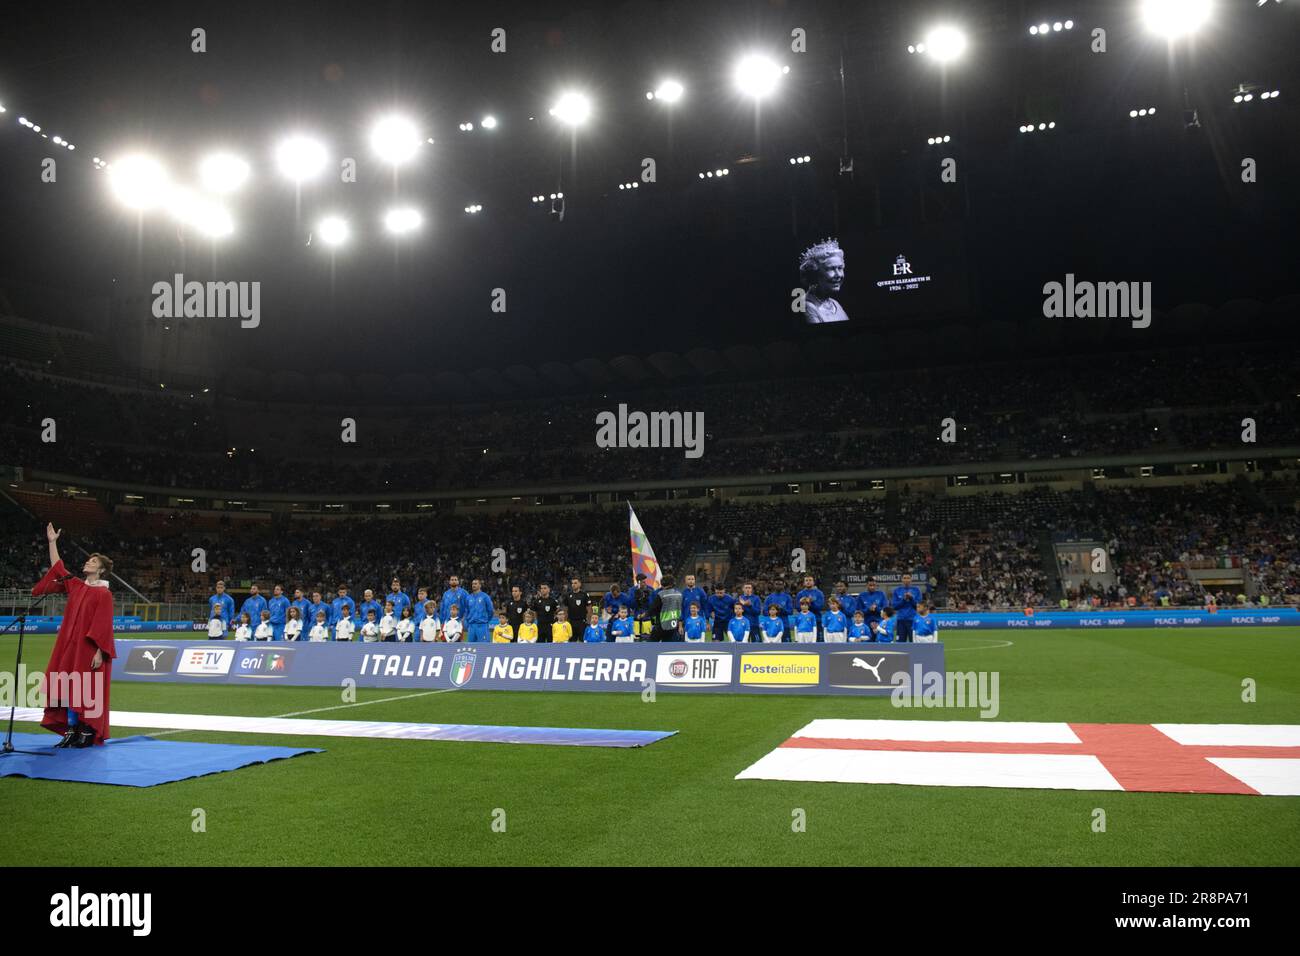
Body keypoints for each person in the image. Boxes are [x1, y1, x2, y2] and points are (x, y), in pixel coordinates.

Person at [32, 523, 115, 748]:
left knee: (85, 689)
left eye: (93, 561)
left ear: (101, 570)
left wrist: (100, 652)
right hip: (69, 646)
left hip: (88, 649)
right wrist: (52, 542)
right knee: (68, 686)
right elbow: (58, 568)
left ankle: (86, 730)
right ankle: (71, 728)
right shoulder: (77, 586)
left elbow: (105, 626)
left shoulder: (104, 594)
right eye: (89, 560)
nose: (88, 562)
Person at [798, 237, 850, 325]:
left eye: (840, 268)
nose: (838, 275)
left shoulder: (835, 304)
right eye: (831, 269)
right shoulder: (806, 306)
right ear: (814, 274)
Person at [648, 574, 683, 642]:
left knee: (651, 644)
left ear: (663, 584)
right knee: (668, 645)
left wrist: (644, 615)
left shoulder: (661, 594)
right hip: (673, 625)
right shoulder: (679, 594)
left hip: (662, 625)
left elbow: (653, 609)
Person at [891, 573, 923, 643]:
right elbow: (894, 606)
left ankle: (915, 654)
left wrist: (911, 598)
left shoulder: (916, 590)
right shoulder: (897, 590)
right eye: (904, 578)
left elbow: (919, 606)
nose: (906, 580)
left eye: (908, 578)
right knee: (900, 643)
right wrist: (903, 599)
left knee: (914, 642)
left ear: (911, 579)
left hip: (913, 620)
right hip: (900, 621)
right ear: (902, 579)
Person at [463, 578, 496, 643]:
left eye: (475, 584)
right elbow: (467, 611)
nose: (473, 585)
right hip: (471, 626)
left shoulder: (485, 596)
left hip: (482, 626)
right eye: (472, 584)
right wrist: (467, 621)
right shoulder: (468, 597)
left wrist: (486, 620)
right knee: (471, 647)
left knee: (483, 647)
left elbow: (491, 611)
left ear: (480, 585)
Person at [796, 575, 826, 640]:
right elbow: (798, 608)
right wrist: (805, 604)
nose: (808, 582)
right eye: (806, 580)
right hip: (803, 622)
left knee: (818, 641)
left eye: (810, 580)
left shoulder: (819, 593)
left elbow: (820, 607)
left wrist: (811, 603)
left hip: (817, 619)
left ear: (813, 582)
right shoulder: (800, 594)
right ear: (804, 583)